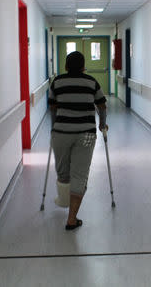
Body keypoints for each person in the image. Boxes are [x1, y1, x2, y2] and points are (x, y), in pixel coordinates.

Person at [48, 51, 107, 230]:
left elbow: (52, 107)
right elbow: (102, 106)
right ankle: (72, 218)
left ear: (66, 66)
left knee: (63, 173)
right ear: (83, 67)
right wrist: (102, 125)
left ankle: (64, 201)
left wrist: (54, 126)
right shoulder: (92, 82)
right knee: (80, 175)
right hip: (87, 135)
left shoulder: (57, 82)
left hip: (61, 134)